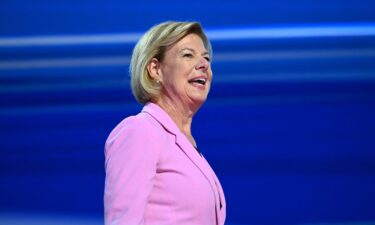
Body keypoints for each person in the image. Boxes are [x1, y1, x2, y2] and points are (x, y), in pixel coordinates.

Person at [104, 21, 226, 225]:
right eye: (188, 55)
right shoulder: (139, 131)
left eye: (206, 58)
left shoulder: (185, 143)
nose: (204, 64)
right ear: (155, 69)